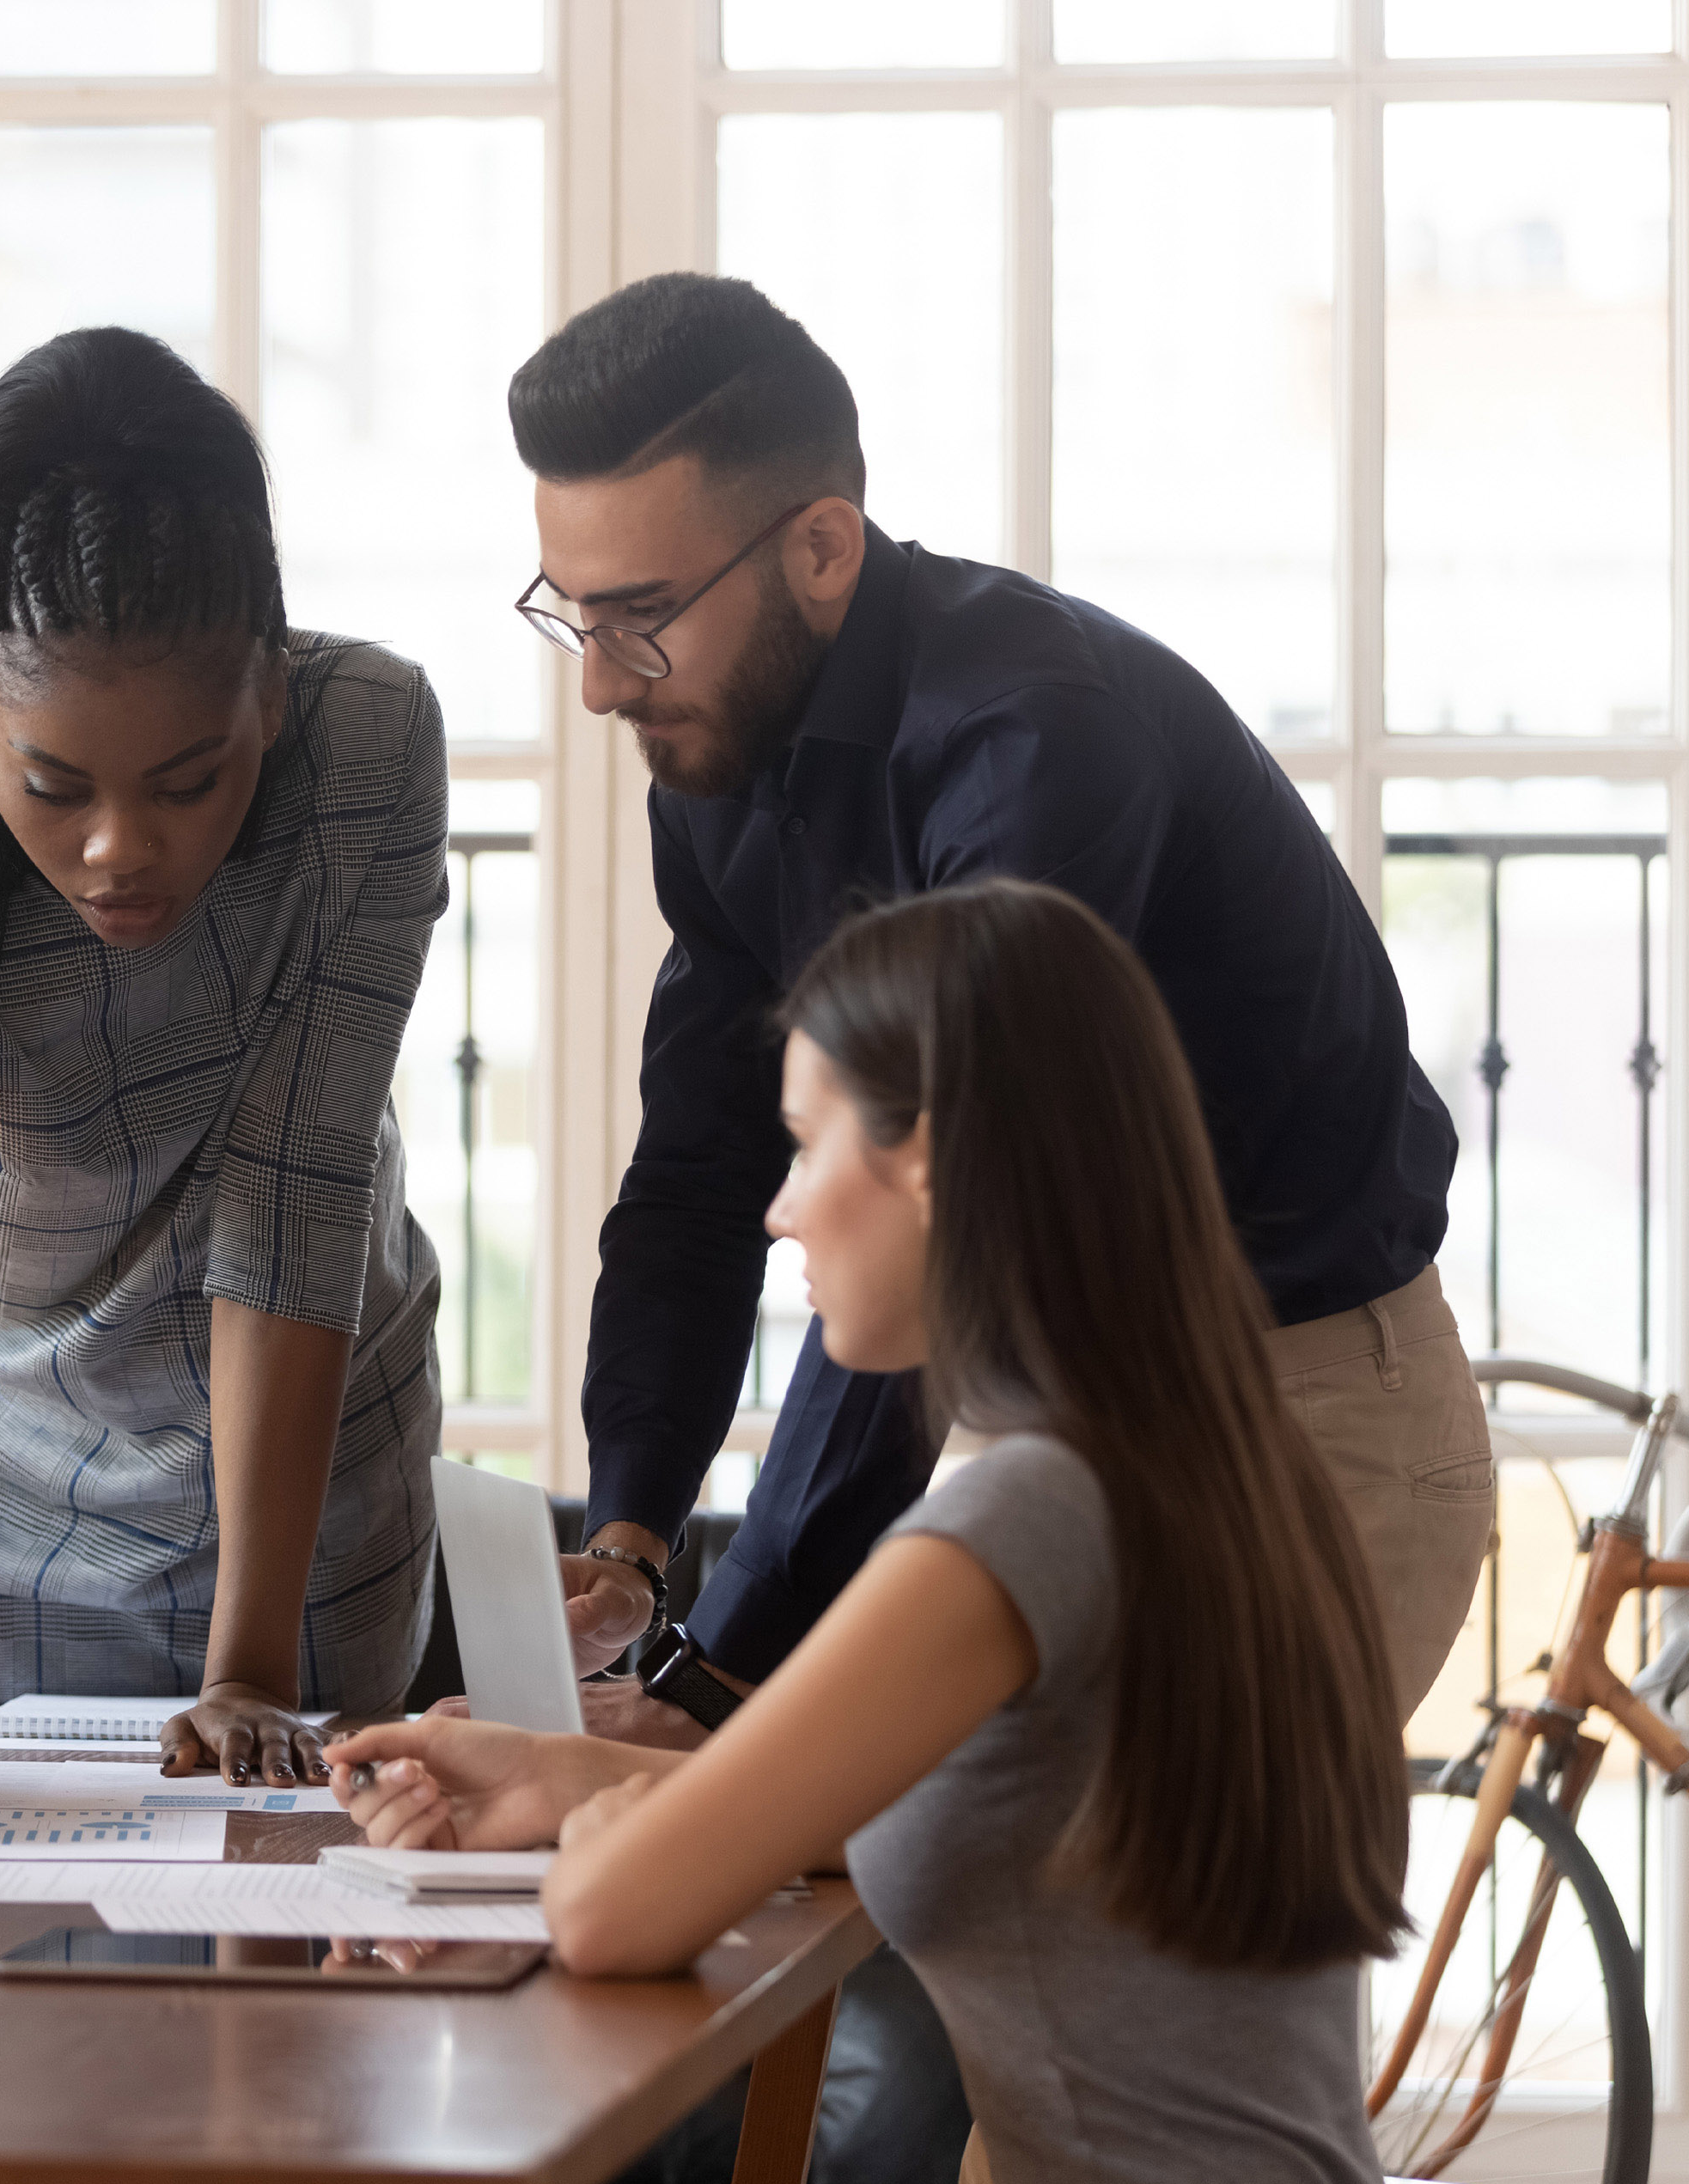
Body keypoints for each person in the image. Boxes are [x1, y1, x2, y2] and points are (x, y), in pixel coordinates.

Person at [331, 878, 1409, 2184]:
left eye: (804, 1143)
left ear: (933, 1158)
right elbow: (968, 1823)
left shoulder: (1022, 1516)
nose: (779, 1209)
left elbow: (608, 1919)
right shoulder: (1212, 1467)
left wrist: (602, 1839)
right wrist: (561, 1776)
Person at [520, 274, 1485, 1739]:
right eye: (572, 617)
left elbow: (949, 1213)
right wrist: (631, 1542)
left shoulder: (1037, 742)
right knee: (858, 1920)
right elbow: (703, 1178)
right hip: (1033, 1420)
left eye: (641, 619)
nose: (599, 687)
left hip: (1298, 1422)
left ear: (824, 548)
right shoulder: (718, 773)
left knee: (1102, 1960)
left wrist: (713, 1683)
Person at [0, 326, 448, 1802]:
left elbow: (294, 1185)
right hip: (2, 1525)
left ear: (268, 698)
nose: (119, 850)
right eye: (53, 784)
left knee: (297, 1965)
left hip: (314, 1510)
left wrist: (250, 1673)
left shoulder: (366, 752)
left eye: (187, 781)